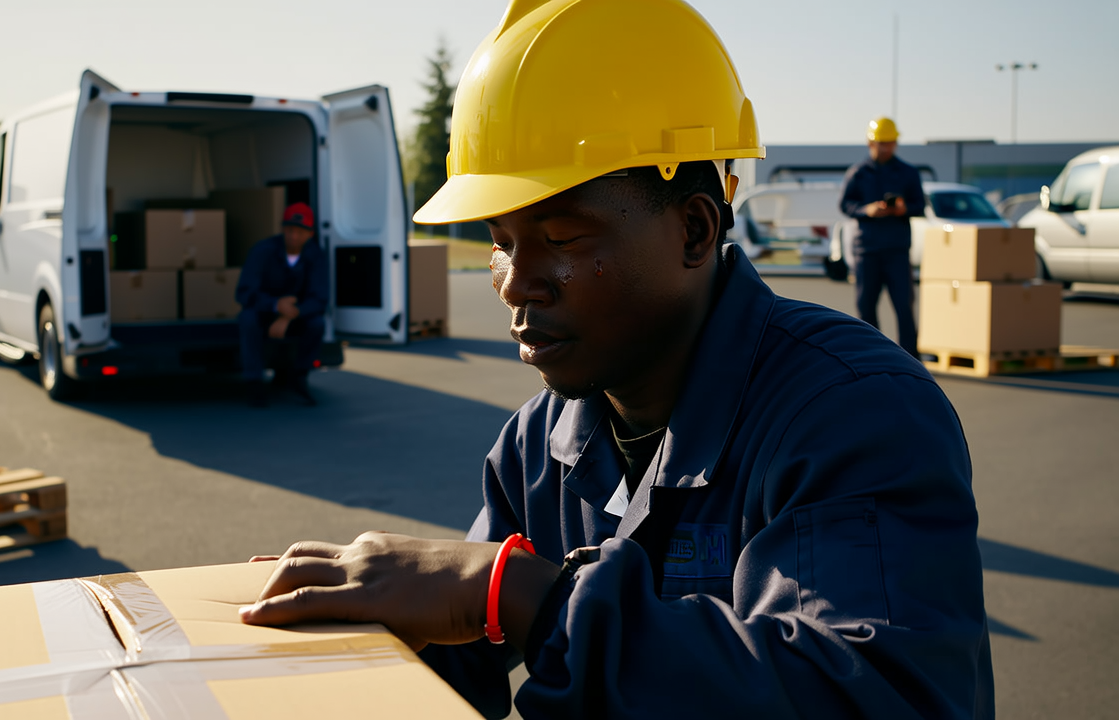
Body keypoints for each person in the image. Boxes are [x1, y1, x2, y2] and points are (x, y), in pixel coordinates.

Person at [239, 1, 993, 718]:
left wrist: (523, 596)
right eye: (501, 242)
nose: (517, 282)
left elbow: (874, 696)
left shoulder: (851, 414)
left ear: (695, 230)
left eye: (562, 238)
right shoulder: (540, 448)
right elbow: (454, 641)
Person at [838, 117, 926, 358]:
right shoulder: (858, 173)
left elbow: (920, 205)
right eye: (882, 143)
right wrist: (867, 210)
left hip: (896, 250)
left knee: (904, 307)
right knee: (866, 307)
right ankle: (872, 357)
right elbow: (845, 204)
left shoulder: (908, 173)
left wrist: (903, 208)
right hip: (867, 251)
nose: (886, 148)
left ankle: (910, 359)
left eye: (891, 143)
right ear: (870, 143)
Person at [235, 202, 328, 407]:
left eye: (300, 232)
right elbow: (244, 293)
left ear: (310, 234)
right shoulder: (262, 251)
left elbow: (320, 297)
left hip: (295, 316)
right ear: (282, 229)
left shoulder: (315, 256)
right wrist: (276, 306)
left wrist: (290, 314)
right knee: (247, 319)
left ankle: (299, 376)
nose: (294, 236)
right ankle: (254, 382)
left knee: (317, 324)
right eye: (290, 230)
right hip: (264, 313)